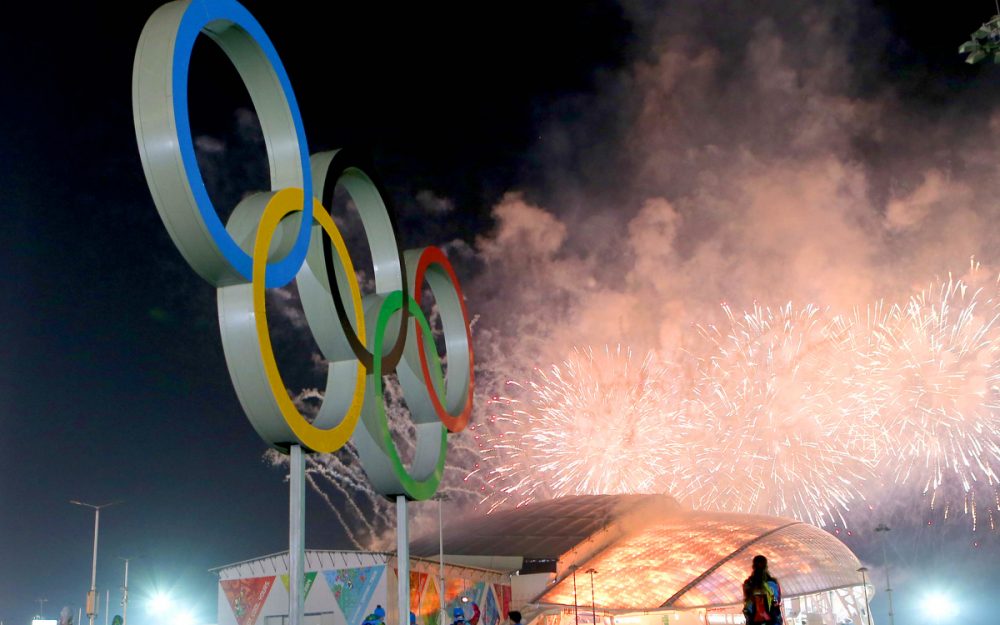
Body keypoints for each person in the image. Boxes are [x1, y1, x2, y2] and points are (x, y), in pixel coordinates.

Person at [742, 555, 782, 624]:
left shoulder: (748, 584)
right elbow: (777, 600)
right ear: (766, 567)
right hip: (772, 621)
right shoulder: (772, 584)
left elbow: (748, 604)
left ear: (753, 567)